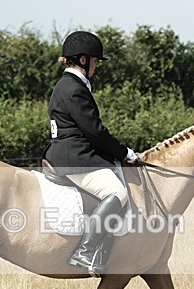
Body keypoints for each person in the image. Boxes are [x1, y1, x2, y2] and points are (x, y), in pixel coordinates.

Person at [43, 30, 140, 275]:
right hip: (75, 159)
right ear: (83, 59)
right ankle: (86, 252)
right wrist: (125, 153)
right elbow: (95, 132)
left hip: (70, 154)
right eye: (95, 60)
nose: (97, 65)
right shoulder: (74, 89)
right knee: (117, 192)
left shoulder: (68, 85)